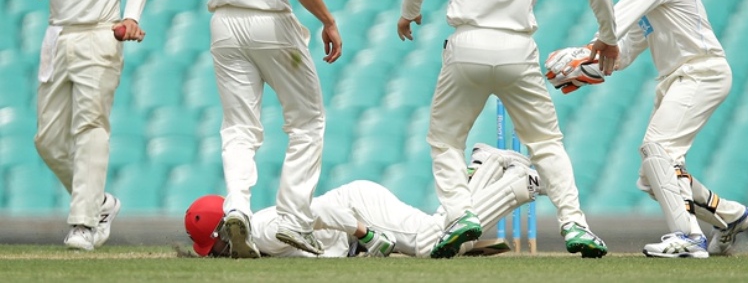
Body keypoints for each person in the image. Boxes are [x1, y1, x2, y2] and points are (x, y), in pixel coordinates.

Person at [395, 0, 619, 259]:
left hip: (468, 44)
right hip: (518, 48)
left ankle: (461, 213)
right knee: (547, 143)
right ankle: (575, 224)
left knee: (445, 141)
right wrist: (608, 38)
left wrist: (409, 11)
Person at [180, 0, 342, 257]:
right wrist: (327, 19)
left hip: (225, 26)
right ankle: (291, 219)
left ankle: (237, 207)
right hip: (271, 24)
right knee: (307, 122)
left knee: (239, 128)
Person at [568, 0, 748, 258]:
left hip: (701, 71)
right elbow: (625, 49)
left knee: (659, 151)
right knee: (653, 176)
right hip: (680, 77)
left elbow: (618, 18)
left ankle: (688, 238)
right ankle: (731, 216)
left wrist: (589, 46)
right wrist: (591, 65)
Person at [8, 0, 150, 250]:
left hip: (101, 35)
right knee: (47, 140)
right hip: (58, 36)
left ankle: (83, 224)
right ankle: (100, 203)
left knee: (90, 128)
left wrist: (131, 16)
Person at [185, 144, 540, 258]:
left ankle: (516, 182)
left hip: (359, 208)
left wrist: (366, 234)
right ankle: (484, 165)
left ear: (227, 232)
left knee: (430, 243)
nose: (217, 257)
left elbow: (316, 210)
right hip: (354, 214)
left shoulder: (259, 231)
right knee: (450, 241)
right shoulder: (256, 239)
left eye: (214, 249)